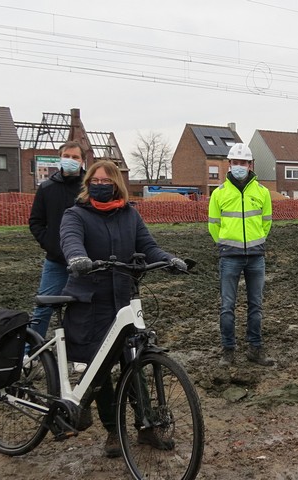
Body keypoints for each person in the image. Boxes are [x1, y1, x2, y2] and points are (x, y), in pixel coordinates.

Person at [60, 160, 187, 457]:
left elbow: (148, 245)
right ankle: (113, 431)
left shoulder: (130, 215)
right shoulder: (76, 214)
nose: (100, 184)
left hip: (125, 299)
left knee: (136, 361)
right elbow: (70, 240)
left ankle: (146, 427)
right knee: (100, 369)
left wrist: (168, 259)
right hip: (92, 302)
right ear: (88, 183)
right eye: (95, 179)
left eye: (106, 180)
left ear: (117, 184)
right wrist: (78, 258)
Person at [208, 143, 274, 367]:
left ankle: (254, 348)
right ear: (229, 164)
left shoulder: (262, 192)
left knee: (256, 306)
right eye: (235, 162)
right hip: (229, 257)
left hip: (256, 256)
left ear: (250, 165)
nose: (239, 166)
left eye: (243, 163)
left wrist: (257, 240)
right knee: (227, 307)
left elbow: (267, 222)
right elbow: (213, 226)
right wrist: (226, 244)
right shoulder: (219, 194)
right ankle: (228, 351)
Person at [28, 141, 85, 349]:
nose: (71, 160)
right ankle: (31, 352)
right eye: (67, 156)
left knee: (81, 308)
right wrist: (50, 244)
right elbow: (36, 222)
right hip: (56, 261)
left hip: (86, 260)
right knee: (43, 307)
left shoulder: (89, 187)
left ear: (82, 160)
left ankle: (79, 352)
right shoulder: (47, 188)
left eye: (75, 157)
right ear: (60, 158)